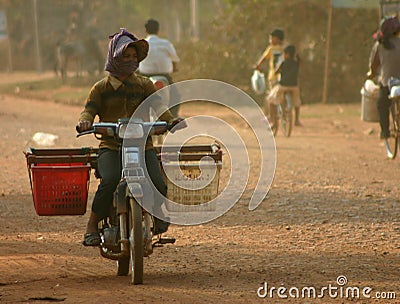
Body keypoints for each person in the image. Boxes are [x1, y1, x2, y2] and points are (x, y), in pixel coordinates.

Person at [76, 28, 183, 246]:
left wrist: (170, 120)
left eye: (135, 57)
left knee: (158, 183)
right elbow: (89, 110)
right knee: (110, 180)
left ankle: (159, 214)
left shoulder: (144, 84)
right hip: (111, 146)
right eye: (127, 56)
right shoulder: (101, 88)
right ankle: (92, 225)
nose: (132, 60)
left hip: (142, 146)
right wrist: (85, 121)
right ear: (114, 57)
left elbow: (158, 106)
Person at [139, 18, 181, 117]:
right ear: (158, 30)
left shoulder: (141, 44)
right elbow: (175, 59)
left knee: (136, 98)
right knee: (176, 97)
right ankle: (173, 120)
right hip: (164, 77)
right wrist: (174, 68)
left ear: (145, 31)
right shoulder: (166, 43)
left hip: (145, 77)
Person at [368, 16, 400, 139]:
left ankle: (385, 131)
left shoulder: (379, 46)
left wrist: (371, 74)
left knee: (382, 104)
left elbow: (374, 65)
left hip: (388, 83)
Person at [255, 28, 285, 117]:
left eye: (272, 38)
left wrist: (257, 65)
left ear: (278, 39)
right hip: (283, 76)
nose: (270, 40)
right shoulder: (284, 49)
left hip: (273, 76)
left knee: (272, 97)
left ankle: (272, 117)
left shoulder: (271, 49)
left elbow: (263, 59)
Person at [271, 44, 303, 126]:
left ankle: (274, 122)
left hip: (283, 86)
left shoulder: (283, 63)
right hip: (294, 86)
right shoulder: (296, 63)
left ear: (287, 54)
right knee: (296, 102)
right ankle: (297, 120)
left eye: (284, 54)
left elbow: (276, 72)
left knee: (272, 100)